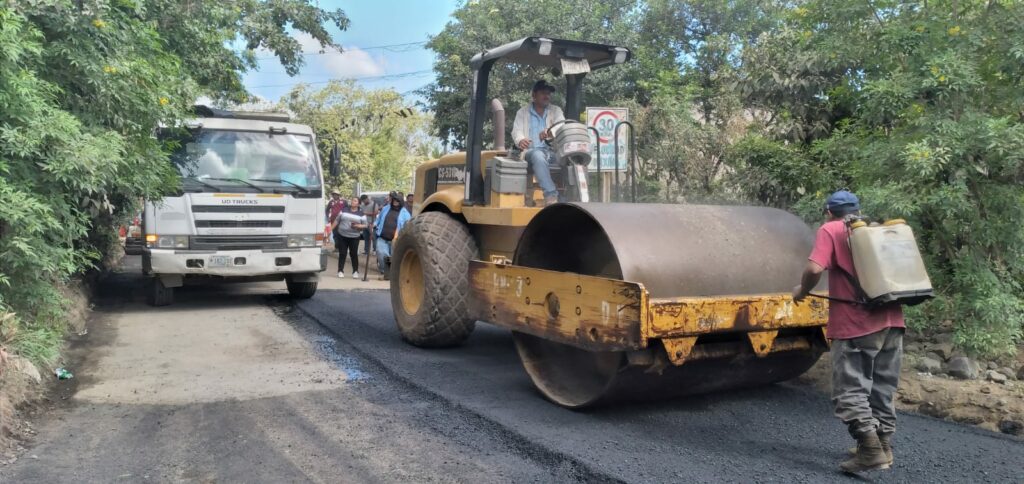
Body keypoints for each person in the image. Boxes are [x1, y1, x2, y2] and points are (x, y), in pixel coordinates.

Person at [792, 190, 905, 474]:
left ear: (829, 212)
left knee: (850, 389)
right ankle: (883, 446)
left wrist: (802, 290)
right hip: (892, 320)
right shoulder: (875, 230)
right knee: (883, 387)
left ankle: (870, 451)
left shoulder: (830, 229)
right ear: (857, 210)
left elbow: (814, 268)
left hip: (856, 323)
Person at [511, 79, 565, 206]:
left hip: (552, 152)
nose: (547, 96)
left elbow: (561, 126)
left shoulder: (556, 111)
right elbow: (517, 131)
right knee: (538, 155)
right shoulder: (522, 112)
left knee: (571, 157)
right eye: (543, 93)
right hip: (530, 153)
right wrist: (521, 140)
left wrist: (550, 131)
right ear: (534, 95)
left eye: (548, 93)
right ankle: (551, 196)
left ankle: (573, 197)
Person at [374, 191, 411, 280]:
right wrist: (375, 225)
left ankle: (392, 273)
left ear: (401, 202)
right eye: (394, 200)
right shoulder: (385, 208)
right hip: (382, 237)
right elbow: (379, 219)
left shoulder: (405, 213)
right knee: (381, 253)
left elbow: (408, 226)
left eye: (397, 201)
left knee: (394, 257)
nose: (395, 202)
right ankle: (385, 271)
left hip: (396, 240)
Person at [331, 197, 367, 279]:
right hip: (342, 235)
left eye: (355, 201)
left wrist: (358, 226)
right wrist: (330, 229)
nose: (352, 202)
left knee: (353, 254)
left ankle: (355, 271)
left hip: (354, 237)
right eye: (352, 200)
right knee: (342, 253)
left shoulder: (361, 213)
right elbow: (337, 220)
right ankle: (340, 271)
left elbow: (365, 225)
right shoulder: (344, 210)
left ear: (358, 203)